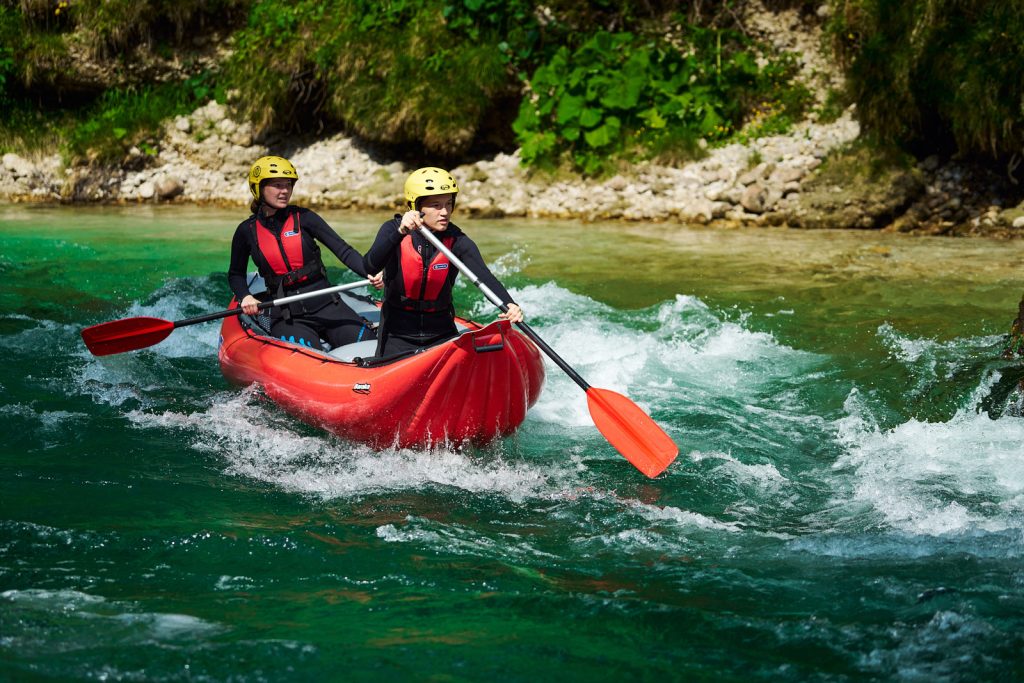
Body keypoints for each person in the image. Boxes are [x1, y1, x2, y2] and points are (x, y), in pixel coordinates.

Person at [363, 166, 523, 357]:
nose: (445, 212)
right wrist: (400, 233)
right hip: (397, 332)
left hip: (441, 330)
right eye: (436, 205)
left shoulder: (457, 240)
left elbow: (484, 277)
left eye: (448, 204)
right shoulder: (394, 229)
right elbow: (370, 265)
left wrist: (510, 304)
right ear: (414, 206)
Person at [228, 155, 380, 351]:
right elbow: (235, 274)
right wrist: (245, 297)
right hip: (287, 315)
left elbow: (344, 251)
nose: (284, 191)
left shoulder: (305, 218)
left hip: (326, 304)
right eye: (277, 185)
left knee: (369, 344)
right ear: (258, 188)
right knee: (308, 352)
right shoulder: (246, 231)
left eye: (288, 185)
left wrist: (370, 271)